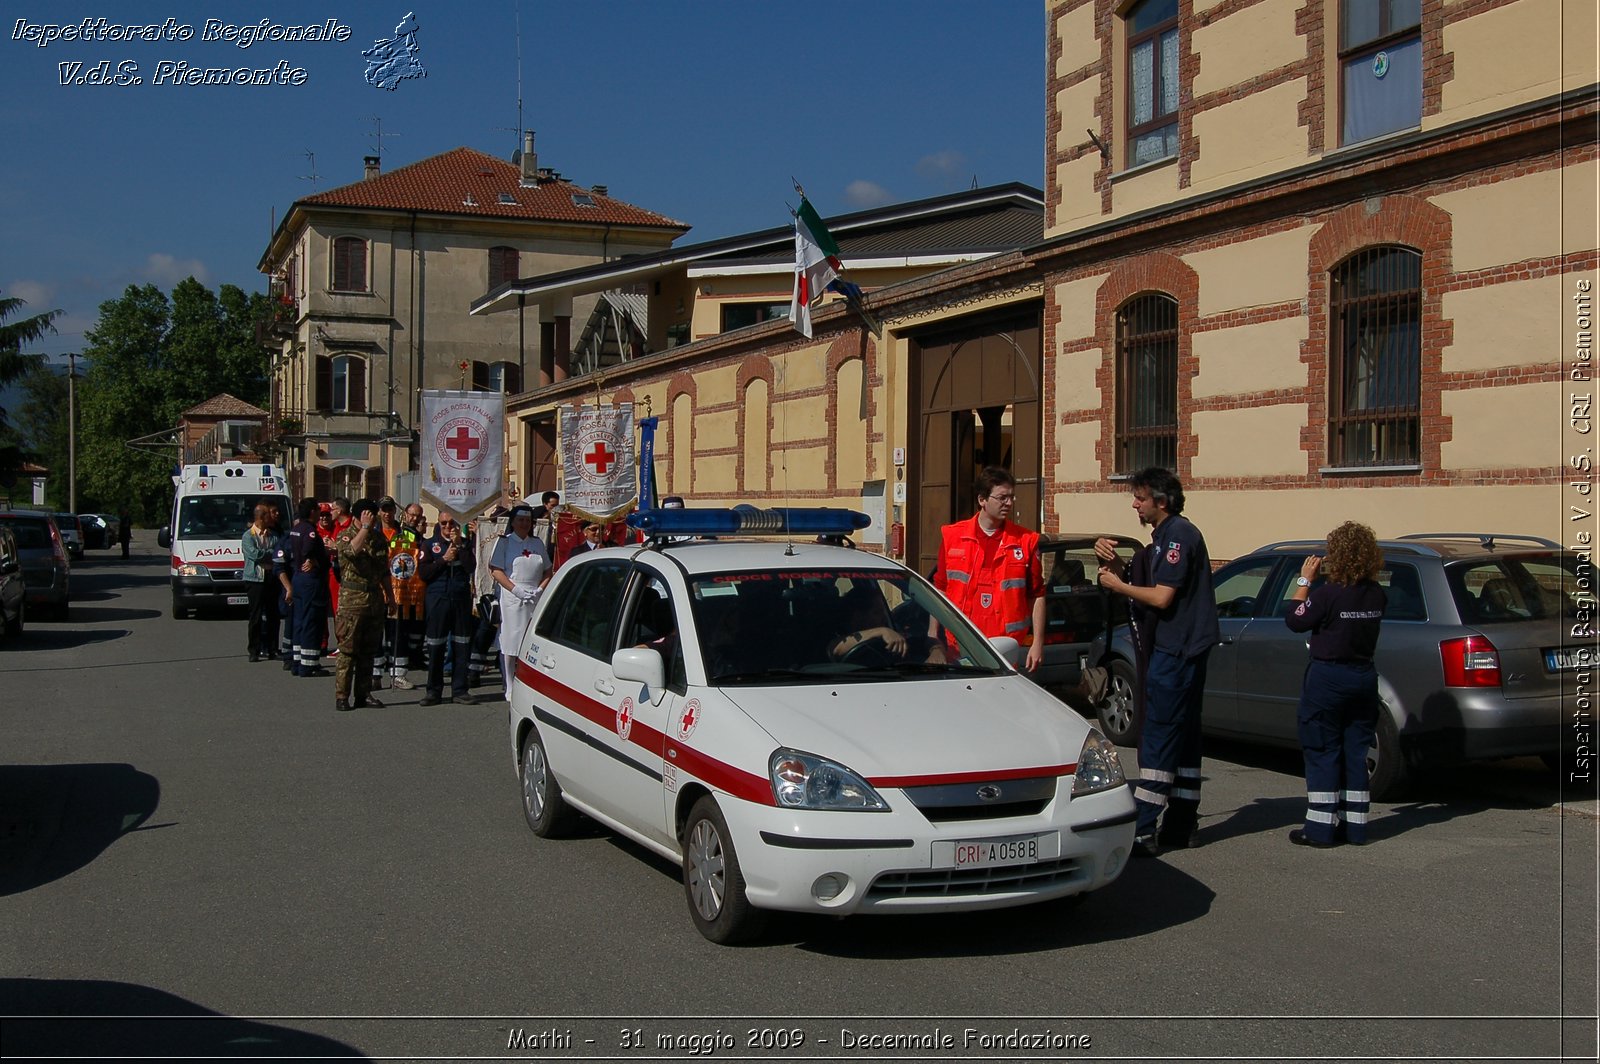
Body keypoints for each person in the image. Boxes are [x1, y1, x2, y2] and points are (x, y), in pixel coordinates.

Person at [1096, 467, 1220, 858]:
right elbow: (1147, 581)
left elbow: (1162, 597)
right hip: (1181, 649)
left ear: (1161, 502)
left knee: (1160, 736)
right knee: (1183, 737)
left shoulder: (1178, 537)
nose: (1134, 504)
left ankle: (1144, 827)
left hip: (1177, 651)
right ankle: (1182, 824)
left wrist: (1117, 585)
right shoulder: (1167, 537)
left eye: (1140, 498)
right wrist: (1115, 565)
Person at [1284, 521, 1387, 848]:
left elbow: (1295, 619)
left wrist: (1304, 580)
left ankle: (1320, 828)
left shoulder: (1328, 594)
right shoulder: (1377, 594)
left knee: (1322, 749)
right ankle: (1356, 827)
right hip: (1363, 677)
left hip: (1329, 678)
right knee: (1355, 753)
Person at [930, 466, 1045, 671]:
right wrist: (933, 639)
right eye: (1002, 498)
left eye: (1011, 497)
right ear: (982, 500)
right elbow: (939, 589)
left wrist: (1037, 643)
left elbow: (1037, 595)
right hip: (960, 646)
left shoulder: (1026, 541)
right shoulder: (953, 537)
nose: (1009, 503)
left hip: (1006, 649)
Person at [333, 499, 395, 712]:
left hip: (374, 600)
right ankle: (342, 696)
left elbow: (384, 570)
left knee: (369, 651)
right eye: (372, 515)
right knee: (348, 652)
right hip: (351, 602)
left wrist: (391, 597)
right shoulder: (346, 534)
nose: (376, 518)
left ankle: (363, 693)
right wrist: (365, 528)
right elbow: (351, 551)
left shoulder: (378, 539)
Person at [418, 509, 478, 706]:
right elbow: (424, 573)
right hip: (438, 599)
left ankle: (460, 689)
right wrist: (443, 559)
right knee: (436, 646)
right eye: (444, 523)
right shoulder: (429, 545)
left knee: (461, 644)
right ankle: (433, 691)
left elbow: (471, 567)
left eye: (451, 523)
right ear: (438, 524)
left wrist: (460, 548)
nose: (448, 527)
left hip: (460, 598)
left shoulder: (465, 543)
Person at [489, 504, 549, 695]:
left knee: (532, 639)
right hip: (512, 596)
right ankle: (509, 683)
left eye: (527, 520)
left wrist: (540, 589)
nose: (524, 524)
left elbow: (547, 570)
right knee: (511, 641)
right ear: (513, 522)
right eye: (520, 520)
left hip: (534, 594)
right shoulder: (505, 542)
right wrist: (516, 590)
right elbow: (496, 571)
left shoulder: (538, 543)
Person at [383, 503, 428, 690]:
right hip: (399, 591)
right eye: (412, 515)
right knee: (398, 634)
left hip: (415, 593)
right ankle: (398, 674)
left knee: (412, 632)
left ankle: (411, 660)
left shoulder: (418, 537)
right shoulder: (402, 536)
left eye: (418, 516)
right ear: (405, 515)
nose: (415, 518)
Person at [285, 497, 332, 677]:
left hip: (298, 577)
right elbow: (308, 550)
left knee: (299, 620)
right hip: (311, 581)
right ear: (312, 512)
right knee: (312, 621)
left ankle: (298, 661)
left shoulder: (296, 529)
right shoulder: (310, 531)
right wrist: (314, 560)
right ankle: (308, 664)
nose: (321, 514)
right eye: (318, 510)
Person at [469, 499, 511, 689]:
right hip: (490, 592)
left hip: (508, 593)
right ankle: (474, 671)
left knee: (505, 634)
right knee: (484, 631)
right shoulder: (481, 536)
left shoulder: (512, 541)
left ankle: (506, 675)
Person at [241, 503, 281, 662]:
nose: (270, 518)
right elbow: (254, 554)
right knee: (256, 616)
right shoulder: (248, 536)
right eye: (267, 515)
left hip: (271, 578)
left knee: (273, 615)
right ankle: (254, 650)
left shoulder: (273, 535)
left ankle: (272, 648)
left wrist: (269, 554)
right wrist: (268, 554)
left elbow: (278, 552)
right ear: (260, 517)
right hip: (254, 579)